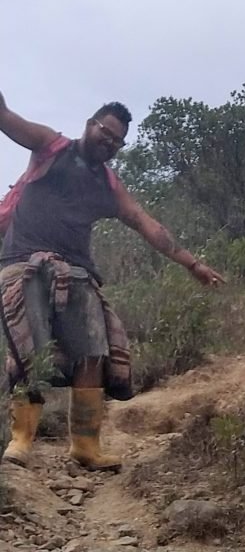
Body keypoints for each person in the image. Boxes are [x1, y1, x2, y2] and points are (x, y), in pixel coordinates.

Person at [0, 93, 224, 472]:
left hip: (77, 271)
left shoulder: (108, 184)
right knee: (30, 347)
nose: (110, 142)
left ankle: (86, 445)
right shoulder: (51, 147)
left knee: (94, 350)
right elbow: (6, 117)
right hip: (23, 263)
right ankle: (21, 439)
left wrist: (192, 263)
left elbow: (145, 222)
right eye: (106, 132)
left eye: (118, 141)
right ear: (90, 124)